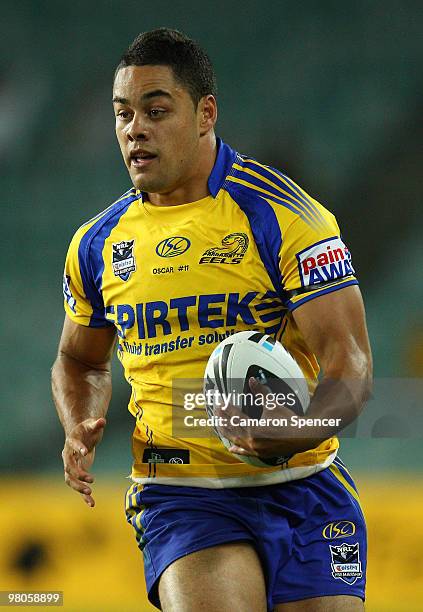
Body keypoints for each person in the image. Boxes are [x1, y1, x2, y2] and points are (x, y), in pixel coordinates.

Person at [52, 28, 372, 612]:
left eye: (155, 110)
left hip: (305, 486)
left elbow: (350, 366)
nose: (134, 129)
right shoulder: (97, 244)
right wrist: (79, 422)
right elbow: (78, 359)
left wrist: (290, 433)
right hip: (182, 493)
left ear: (206, 113)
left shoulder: (287, 216)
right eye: (123, 114)